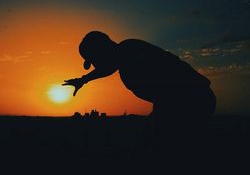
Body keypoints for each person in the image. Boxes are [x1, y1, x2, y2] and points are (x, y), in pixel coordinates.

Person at [63, 31, 216, 127]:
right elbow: (107, 68)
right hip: (184, 103)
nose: (96, 65)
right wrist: (83, 80)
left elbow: (167, 86)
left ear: (103, 50)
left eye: (95, 59)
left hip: (193, 101)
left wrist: (159, 117)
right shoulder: (124, 57)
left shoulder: (132, 50)